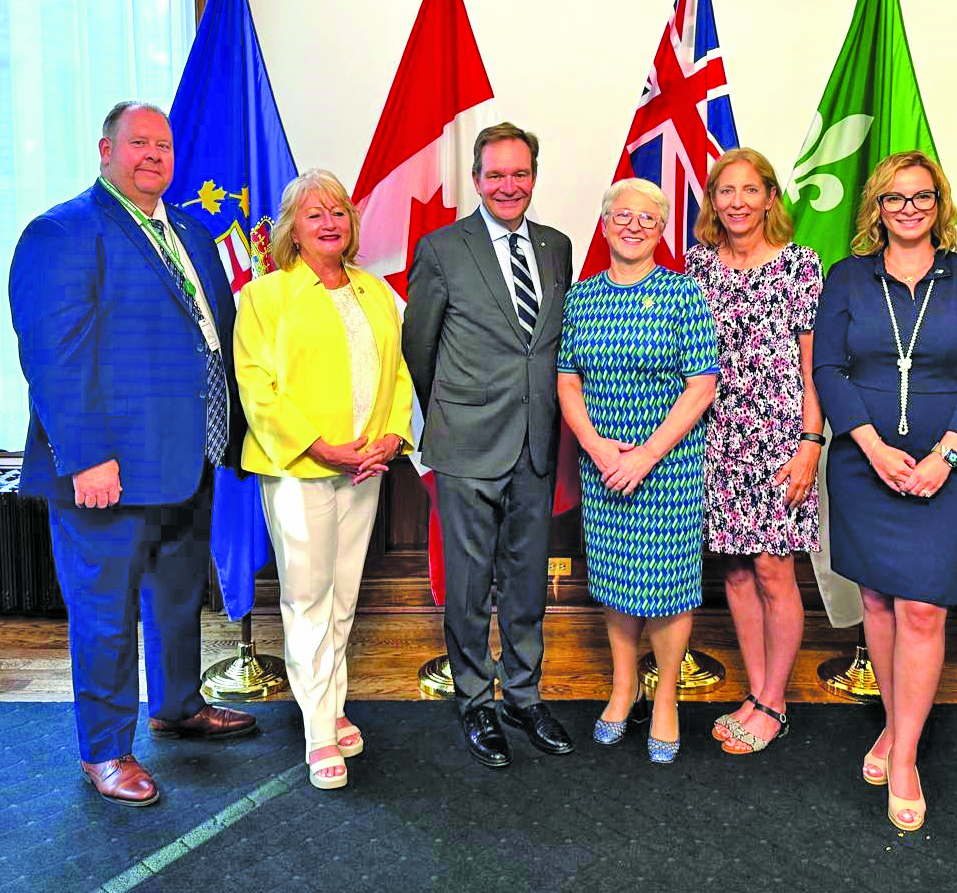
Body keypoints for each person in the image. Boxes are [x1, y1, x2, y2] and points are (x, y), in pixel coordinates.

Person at [9, 101, 258, 808]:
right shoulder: (64, 231)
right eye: (139, 142)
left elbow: (211, 337)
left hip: (188, 458)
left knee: (178, 599)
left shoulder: (187, 230)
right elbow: (54, 357)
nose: (155, 153)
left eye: (164, 143)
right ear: (105, 149)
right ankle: (106, 751)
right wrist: (85, 457)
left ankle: (177, 705)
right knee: (106, 615)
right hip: (108, 469)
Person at [812, 151, 957, 832]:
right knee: (878, 602)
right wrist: (870, 445)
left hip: (949, 468)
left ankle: (907, 756)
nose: (910, 208)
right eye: (896, 198)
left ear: (939, 203)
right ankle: (894, 728)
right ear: (877, 208)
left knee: (923, 609)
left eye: (922, 197)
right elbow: (829, 369)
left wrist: (946, 455)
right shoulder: (847, 278)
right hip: (865, 468)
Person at [401, 122, 576, 768]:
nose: (509, 185)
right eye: (496, 174)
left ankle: (523, 696)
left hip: (536, 441)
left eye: (520, 173)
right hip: (468, 442)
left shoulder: (558, 247)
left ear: (534, 176)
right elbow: (418, 346)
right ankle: (475, 700)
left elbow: (552, 346)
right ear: (476, 179)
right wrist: (455, 411)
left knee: (527, 582)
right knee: (471, 584)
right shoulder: (442, 248)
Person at [233, 169, 414, 790]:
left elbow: (398, 375)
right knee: (306, 600)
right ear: (292, 229)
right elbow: (257, 390)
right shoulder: (266, 296)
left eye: (338, 211)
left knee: (341, 599)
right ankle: (316, 734)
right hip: (297, 469)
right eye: (314, 214)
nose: (329, 222)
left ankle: (331, 707)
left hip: (366, 467)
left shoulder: (375, 293)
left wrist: (390, 437)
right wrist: (321, 447)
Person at [557, 178, 719, 764]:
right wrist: (599, 448)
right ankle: (623, 687)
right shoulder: (582, 298)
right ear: (603, 225)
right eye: (621, 216)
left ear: (660, 230)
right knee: (616, 584)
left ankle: (667, 697)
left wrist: (646, 453)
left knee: (670, 590)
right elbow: (567, 379)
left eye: (646, 219)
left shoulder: (683, 296)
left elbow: (703, 384)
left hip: (668, 466)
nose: (632, 225)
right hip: (602, 467)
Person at [684, 148, 823, 756]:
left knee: (773, 568)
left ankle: (774, 700)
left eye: (749, 190)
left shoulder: (800, 266)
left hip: (777, 437)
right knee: (736, 570)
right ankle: (758, 690)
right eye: (724, 191)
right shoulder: (695, 267)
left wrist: (810, 444)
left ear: (771, 197)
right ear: (712, 202)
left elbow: (814, 366)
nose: (737, 202)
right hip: (712, 436)